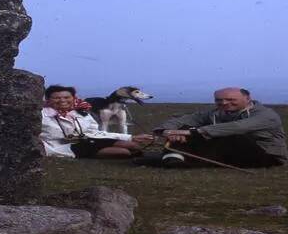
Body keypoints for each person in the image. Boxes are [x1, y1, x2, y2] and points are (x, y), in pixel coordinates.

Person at [151, 87, 287, 168]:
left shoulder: (266, 115)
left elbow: (237, 127)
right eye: (219, 100)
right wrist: (166, 131)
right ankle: (172, 159)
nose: (224, 103)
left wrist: (191, 132)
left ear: (247, 98)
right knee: (187, 126)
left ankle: (171, 159)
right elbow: (185, 119)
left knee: (228, 134)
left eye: (231, 99)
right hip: (234, 152)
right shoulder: (214, 111)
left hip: (267, 155)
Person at [40, 85, 152, 158]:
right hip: (66, 147)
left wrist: (130, 137)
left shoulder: (80, 113)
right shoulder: (41, 115)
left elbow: (95, 132)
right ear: (48, 100)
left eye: (66, 97)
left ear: (73, 98)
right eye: (57, 98)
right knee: (124, 152)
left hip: (89, 140)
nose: (62, 100)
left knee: (134, 146)